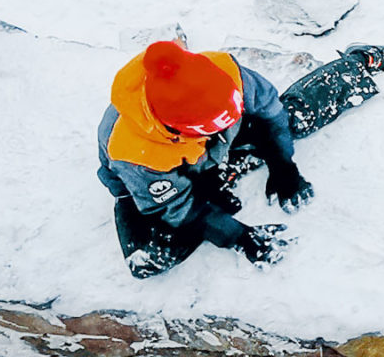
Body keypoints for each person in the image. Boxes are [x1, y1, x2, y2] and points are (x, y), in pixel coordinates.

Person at [97, 39, 311, 278]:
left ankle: (357, 67)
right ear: (182, 129)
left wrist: (283, 165)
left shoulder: (224, 71)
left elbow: (270, 112)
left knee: (291, 119)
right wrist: (240, 237)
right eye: (218, 123)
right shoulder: (135, 153)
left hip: (206, 146)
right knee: (150, 260)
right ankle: (213, 178)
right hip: (152, 181)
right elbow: (178, 209)